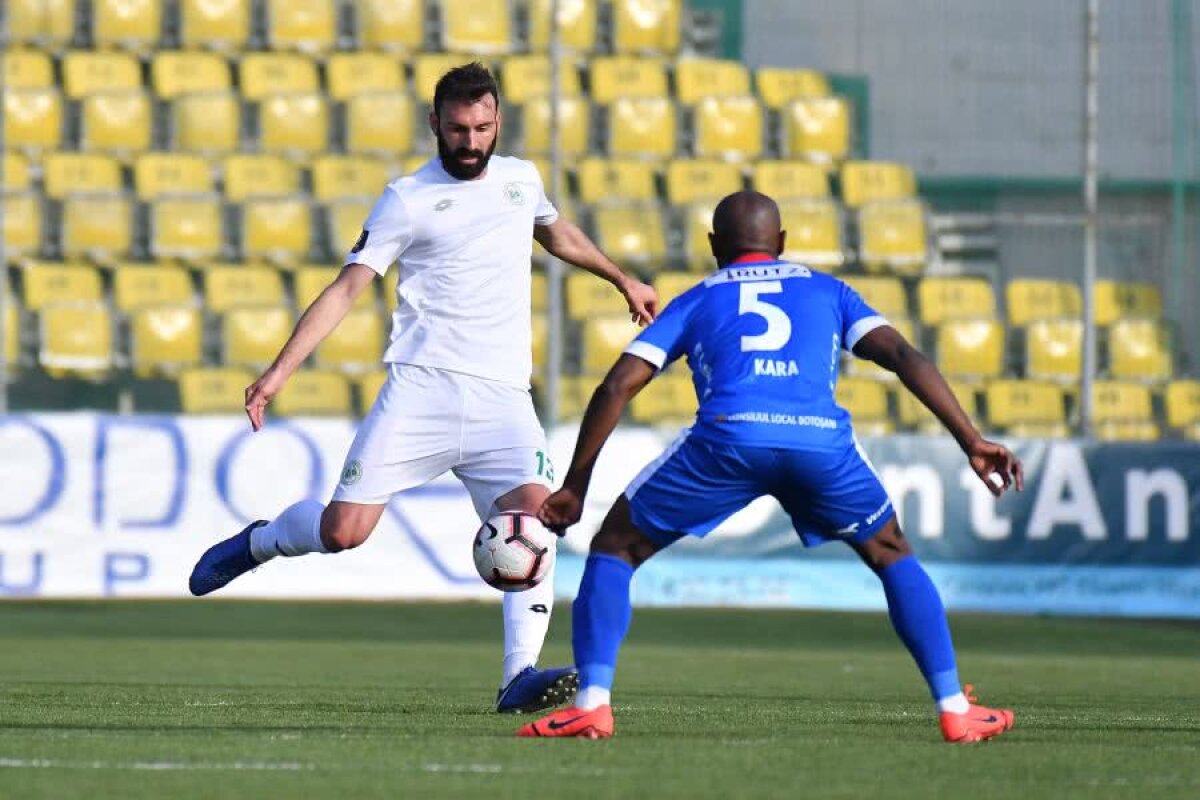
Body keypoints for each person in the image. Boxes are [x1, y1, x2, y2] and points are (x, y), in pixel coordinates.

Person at [189, 63, 658, 714]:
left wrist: (621, 279)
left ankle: (517, 677)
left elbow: (554, 229)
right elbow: (348, 287)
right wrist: (278, 371)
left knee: (532, 522)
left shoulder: (522, 180)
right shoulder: (407, 199)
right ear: (434, 123)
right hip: (421, 391)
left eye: (483, 127)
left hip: (502, 399)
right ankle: (261, 541)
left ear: (498, 123)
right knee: (344, 531)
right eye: (459, 128)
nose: (471, 141)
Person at [517, 191, 1023, 742]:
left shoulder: (699, 297)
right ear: (781, 244)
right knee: (890, 552)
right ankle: (954, 708)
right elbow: (905, 357)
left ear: (713, 246)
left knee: (616, 547)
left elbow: (619, 383)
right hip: (818, 446)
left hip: (729, 440)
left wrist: (574, 486)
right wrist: (971, 440)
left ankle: (592, 704)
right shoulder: (829, 291)